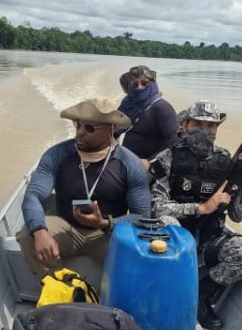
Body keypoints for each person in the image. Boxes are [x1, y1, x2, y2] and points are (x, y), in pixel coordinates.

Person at [150, 100, 242, 330]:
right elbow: (157, 207)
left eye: (211, 126)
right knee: (167, 223)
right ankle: (162, 294)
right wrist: (200, 208)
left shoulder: (226, 161)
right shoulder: (166, 158)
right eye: (198, 124)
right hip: (174, 236)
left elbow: (238, 215)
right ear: (185, 125)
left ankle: (201, 296)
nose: (205, 130)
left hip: (208, 239)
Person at [17, 97, 151, 277]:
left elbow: (142, 216)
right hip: (67, 227)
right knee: (28, 235)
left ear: (110, 129)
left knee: (141, 259)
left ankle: (113, 298)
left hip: (107, 234)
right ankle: (59, 288)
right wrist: (39, 231)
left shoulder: (129, 163)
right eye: (78, 125)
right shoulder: (57, 154)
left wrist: (105, 223)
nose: (80, 132)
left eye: (89, 128)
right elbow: (33, 195)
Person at [117, 65, 179, 169]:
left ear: (153, 84)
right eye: (135, 84)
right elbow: (113, 130)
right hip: (125, 161)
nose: (140, 87)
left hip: (150, 167)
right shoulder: (127, 105)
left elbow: (174, 140)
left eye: (145, 83)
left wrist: (150, 162)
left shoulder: (162, 108)